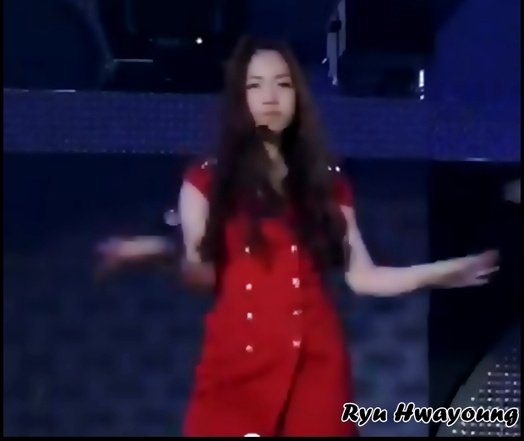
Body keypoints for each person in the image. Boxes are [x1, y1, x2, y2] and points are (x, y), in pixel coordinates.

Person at [98, 36, 499, 437]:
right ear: (239, 99)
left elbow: (364, 277)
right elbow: (202, 275)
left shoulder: (326, 182)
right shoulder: (207, 180)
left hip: (315, 362)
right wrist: (161, 253)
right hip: (238, 364)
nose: (270, 97)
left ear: (298, 96)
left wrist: (442, 273)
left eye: (282, 84)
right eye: (256, 85)